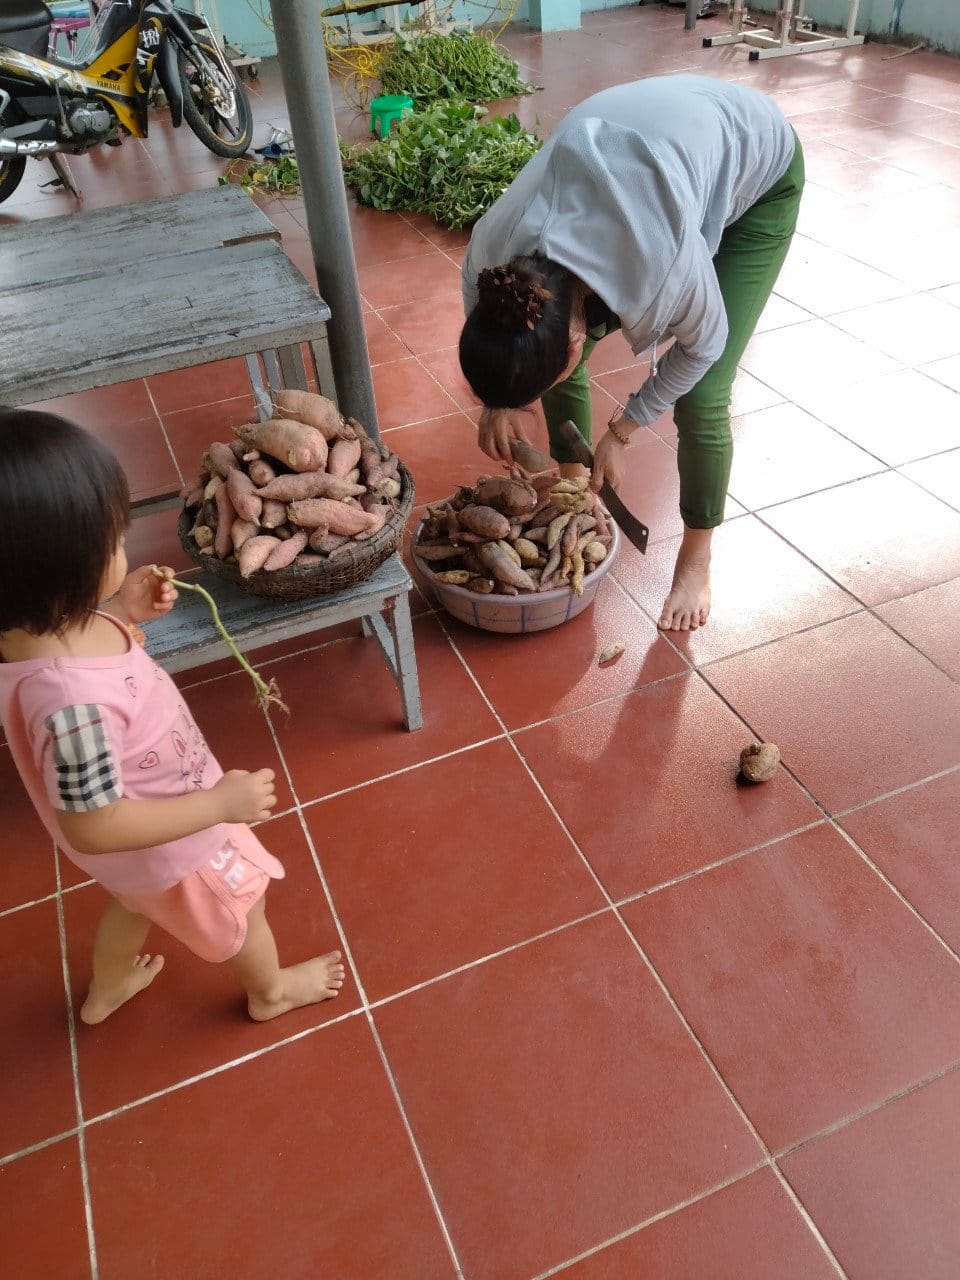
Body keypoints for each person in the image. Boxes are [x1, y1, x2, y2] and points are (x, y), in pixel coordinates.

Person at [0, 409, 344, 1025]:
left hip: (137, 861)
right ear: (59, 575)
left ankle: (107, 990)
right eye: (112, 542)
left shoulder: (32, 633)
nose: (122, 548)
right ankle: (270, 992)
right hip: (174, 842)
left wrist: (119, 610)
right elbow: (93, 825)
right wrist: (217, 806)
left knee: (134, 903)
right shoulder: (70, 706)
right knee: (243, 906)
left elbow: (85, 658)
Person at [459, 74, 804, 632]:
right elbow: (495, 316)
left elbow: (704, 345)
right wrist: (496, 400)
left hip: (757, 167)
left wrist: (624, 429)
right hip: (654, 143)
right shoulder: (495, 251)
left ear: (576, 339)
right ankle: (576, 494)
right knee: (546, 359)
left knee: (703, 397)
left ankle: (697, 558)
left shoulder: (661, 262)